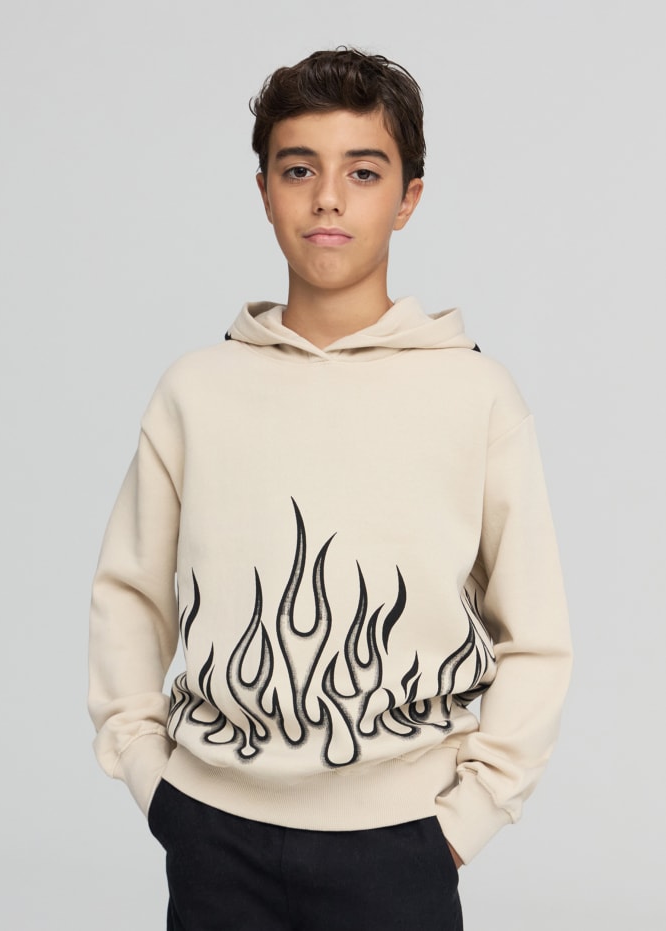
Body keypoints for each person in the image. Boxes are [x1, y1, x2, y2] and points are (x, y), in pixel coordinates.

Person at [88, 48, 572, 931]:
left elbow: (534, 633)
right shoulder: (197, 389)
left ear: (408, 198)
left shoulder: (474, 395)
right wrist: (151, 776)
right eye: (298, 169)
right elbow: (129, 592)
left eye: (363, 171)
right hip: (212, 831)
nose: (327, 199)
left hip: (400, 841)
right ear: (264, 190)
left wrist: (464, 820)